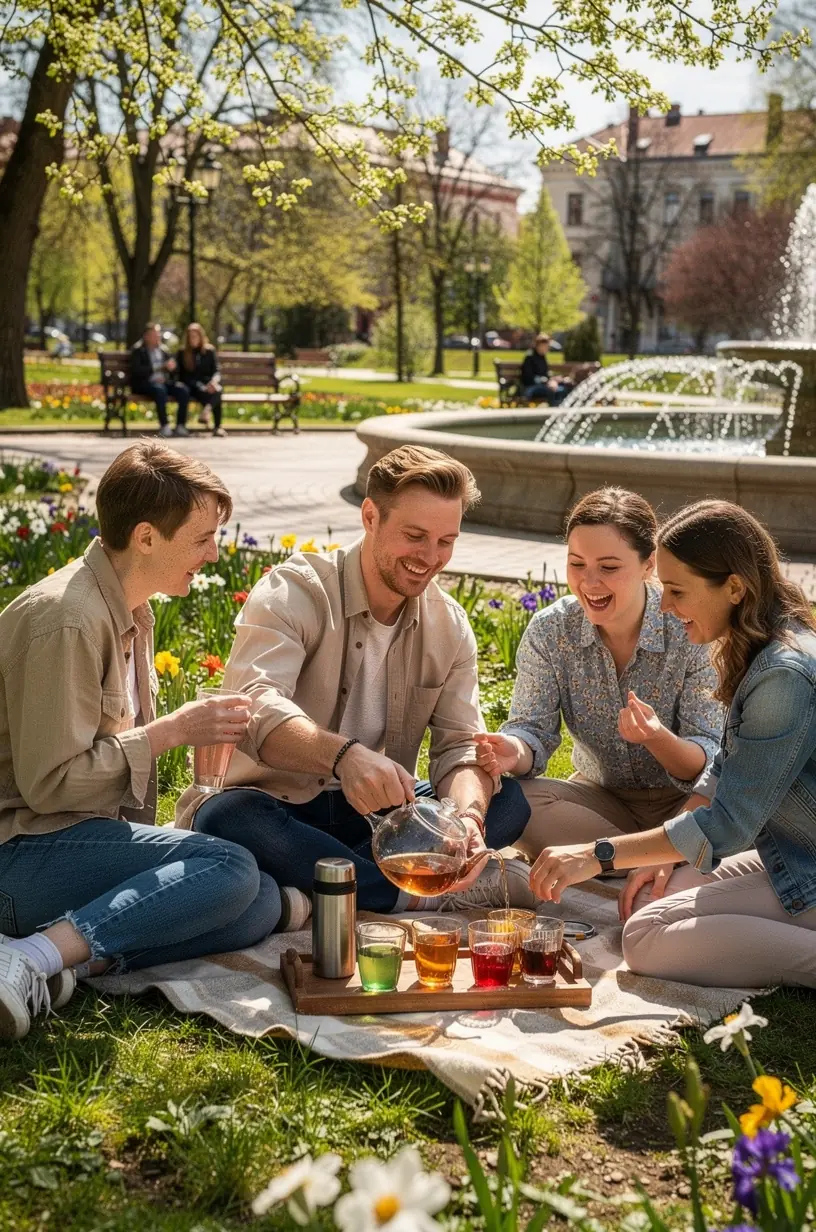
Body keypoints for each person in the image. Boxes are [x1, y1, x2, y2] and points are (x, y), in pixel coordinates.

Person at [0, 443, 284, 1041]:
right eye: (202, 538)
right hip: (19, 852)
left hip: (67, 842)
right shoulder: (69, 620)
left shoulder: (131, 612)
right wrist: (173, 732)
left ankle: (68, 958)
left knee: (256, 903)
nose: (213, 554)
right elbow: (50, 788)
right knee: (228, 866)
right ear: (148, 537)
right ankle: (26, 958)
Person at [176, 445, 533, 918]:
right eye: (415, 536)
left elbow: (461, 748)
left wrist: (465, 818)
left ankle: (314, 893)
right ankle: (410, 890)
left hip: (372, 815)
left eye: (446, 541)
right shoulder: (295, 591)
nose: (430, 557)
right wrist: (344, 757)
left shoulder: (448, 624)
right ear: (370, 517)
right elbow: (254, 706)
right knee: (226, 818)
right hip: (276, 805)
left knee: (504, 801)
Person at [529, 500, 816, 990]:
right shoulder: (766, 644)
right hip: (789, 853)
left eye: (677, 590)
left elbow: (725, 826)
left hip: (802, 868)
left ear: (734, 587)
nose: (663, 605)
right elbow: (726, 770)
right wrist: (666, 852)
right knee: (649, 906)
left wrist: (596, 854)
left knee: (646, 938)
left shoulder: (783, 675)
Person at [474, 488, 722, 863]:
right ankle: (640, 861)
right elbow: (531, 729)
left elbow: (708, 759)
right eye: (577, 564)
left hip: (687, 807)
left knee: (725, 825)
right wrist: (515, 750)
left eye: (609, 568)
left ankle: (617, 860)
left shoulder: (688, 628)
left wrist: (657, 739)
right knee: (510, 801)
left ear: (648, 564)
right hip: (598, 804)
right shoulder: (551, 631)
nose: (590, 583)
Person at [131, 323, 191, 438]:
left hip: (164, 383)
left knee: (183, 390)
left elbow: (174, 369)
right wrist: (159, 368)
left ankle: (180, 425)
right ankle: (165, 426)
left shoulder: (163, 349)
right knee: (160, 390)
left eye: (158, 334)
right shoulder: (138, 350)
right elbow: (137, 370)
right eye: (154, 334)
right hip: (145, 384)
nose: (158, 337)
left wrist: (172, 368)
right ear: (146, 336)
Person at [176, 323, 225, 438]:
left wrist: (213, 382)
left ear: (201, 336)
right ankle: (213, 422)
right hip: (192, 387)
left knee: (217, 390)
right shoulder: (183, 353)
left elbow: (217, 370)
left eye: (195, 336)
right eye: (191, 336)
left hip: (208, 385)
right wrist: (201, 386)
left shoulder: (209, 351)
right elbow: (183, 376)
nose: (193, 339)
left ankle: (211, 419)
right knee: (214, 393)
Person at [520, 334, 573, 407]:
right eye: (545, 346)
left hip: (543, 385)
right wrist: (547, 382)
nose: (547, 349)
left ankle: (560, 410)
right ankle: (554, 412)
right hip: (531, 388)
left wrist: (555, 379)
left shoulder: (542, 357)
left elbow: (545, 374)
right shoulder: (530, 357)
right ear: (538, 345)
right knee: (553, 390)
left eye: (547, 347)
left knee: (564, 388)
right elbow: (528, 377)